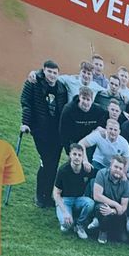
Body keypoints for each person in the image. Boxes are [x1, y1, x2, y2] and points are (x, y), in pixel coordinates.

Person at [20, 59, 68, 209]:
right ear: (44, 70)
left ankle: (49, 196)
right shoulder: (33, 83)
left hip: (57, 134)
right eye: (49, 72)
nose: (52, 75)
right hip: (41, 131)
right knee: (46, 163)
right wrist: (26, 123)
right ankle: (40, 196)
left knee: (53, 165)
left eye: (55, 73)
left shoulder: (61, 88)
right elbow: (26, 103)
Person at [52, 143, 94, 239]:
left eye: (79, 155)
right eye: (74, 154)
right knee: (66, 225)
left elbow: (98, 176)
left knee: (90, 203)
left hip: (79, 198)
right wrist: (65, 212)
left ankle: (79, 224)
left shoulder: (86, 169)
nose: (77, 157)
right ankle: (69, 217)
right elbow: (56, 193)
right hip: (65, 199)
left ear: (83, 157)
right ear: (70, 155)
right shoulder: (63, 170)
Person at [91, 153, 129, 245]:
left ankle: (109, 229)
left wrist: (113, 211)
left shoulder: (126, 183)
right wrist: (115, 204)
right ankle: (103, 231)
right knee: (103, 208)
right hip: (102, 205)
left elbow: (124, 206)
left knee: (123, 239)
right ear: (110, 166)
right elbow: (97, 196)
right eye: (115, 167)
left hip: (116, 211)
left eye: (120, 168)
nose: (118, 170)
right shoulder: (101, 173)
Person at [58, 87, 107, 158]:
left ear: (92, 101)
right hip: (74, 140)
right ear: (79, 98)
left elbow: (106, 120)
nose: (85, 102)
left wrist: (100, 128)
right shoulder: (69, 109)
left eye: (88, 99)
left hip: (89, 141)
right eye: (83, 98)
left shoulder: (98, 110)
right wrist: (68, 151)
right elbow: (63, 131)